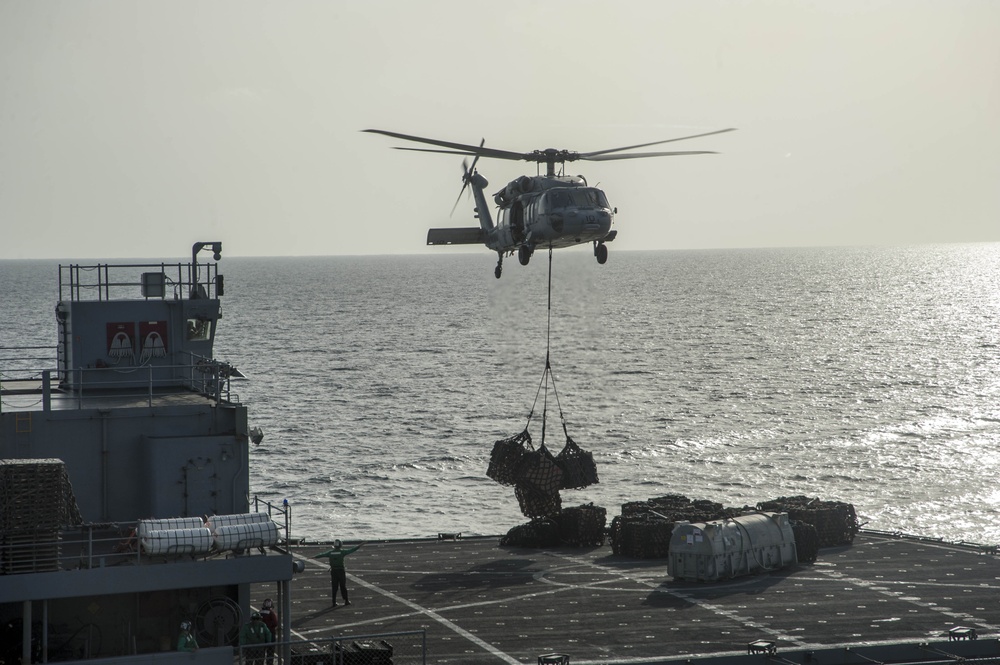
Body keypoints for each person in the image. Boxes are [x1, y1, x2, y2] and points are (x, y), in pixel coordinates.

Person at [315, 539, 364, 606]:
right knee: (343, 586)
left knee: (334, 587)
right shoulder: (342, 552)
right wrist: (360, 545)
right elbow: (352, 550)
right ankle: (346, 600)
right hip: (341, 571)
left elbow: (322, 555)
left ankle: (334, 602)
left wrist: (313, 557)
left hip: (334, 571)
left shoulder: (330, 552)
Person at [259, 598, 279, 665]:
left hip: (261, 634)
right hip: (271, 634)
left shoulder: (260, 613)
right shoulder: (271, 613)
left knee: (261, 652)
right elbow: (275, 623)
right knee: (270, 652)